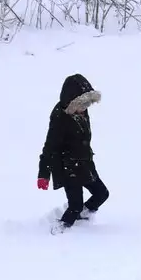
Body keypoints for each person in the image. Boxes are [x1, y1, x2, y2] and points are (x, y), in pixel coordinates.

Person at [36, 73, 109, 228]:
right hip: (68, 167)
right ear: (71, 102)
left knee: (102, 194)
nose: (84, 109)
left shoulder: (81, 112)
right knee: (75, 206)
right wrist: (44, 174)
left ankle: (83, 219)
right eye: (81, 105)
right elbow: (50, 147)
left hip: (85, 164)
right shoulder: (60, 118)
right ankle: (60, 231)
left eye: (87, 104)